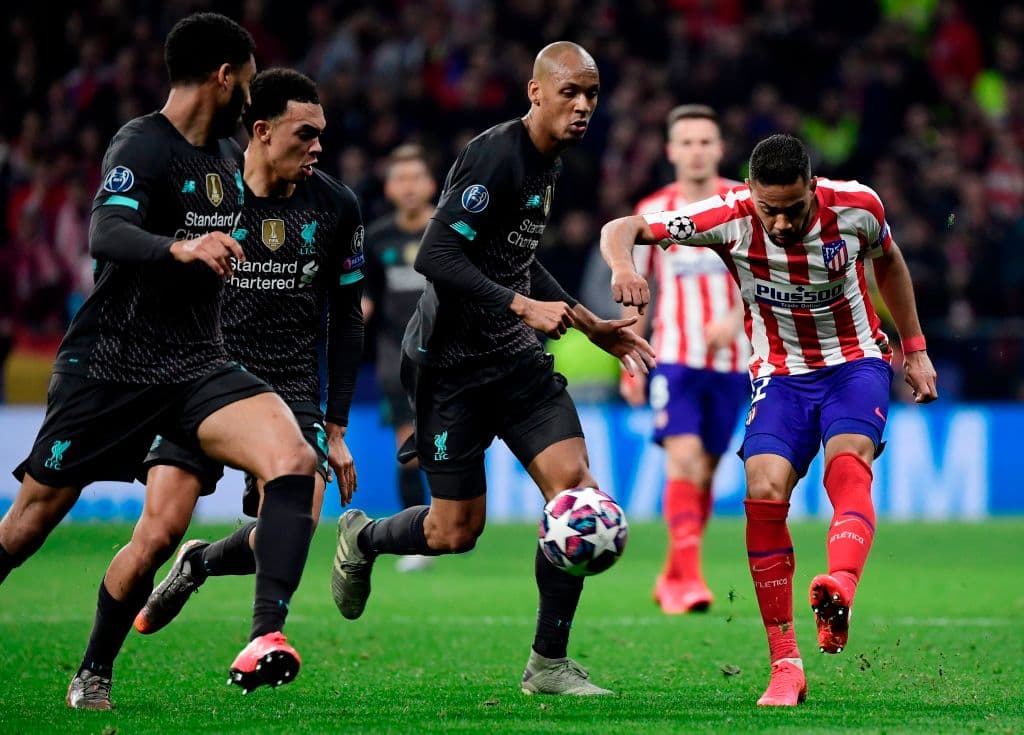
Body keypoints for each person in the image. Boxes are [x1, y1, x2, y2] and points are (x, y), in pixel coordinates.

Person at [0, 14, 319, 707]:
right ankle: (95, 663)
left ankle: (260, 633)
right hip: (109, 366)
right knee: (25, 527)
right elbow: (106, 230)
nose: (254, 93)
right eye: (251, 76)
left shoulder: (229, 157)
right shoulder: (143, 143)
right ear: (225, 76)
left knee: (294, 460)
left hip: (196, 366)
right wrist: (179, 246)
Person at [330, 41, 655, 696]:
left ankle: (548, 664)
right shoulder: (496, 156)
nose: (584, 105)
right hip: (450, 368)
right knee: (453, 531)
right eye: (571, 92)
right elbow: (436, 255)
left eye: (592, 94)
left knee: (578, 497)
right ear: (535, 93)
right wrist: (521, 305)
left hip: (514, 361)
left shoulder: (548, 163)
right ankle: (363, 537)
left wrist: (585, 321)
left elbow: (511, 258)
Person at [61, 68, 366, 709]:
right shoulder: (208, 192)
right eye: (305, 134)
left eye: (322, 135)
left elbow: (346, 320)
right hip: (200, 371)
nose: (318, 148)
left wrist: (335, 424)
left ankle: (232, 599)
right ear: (261, 131)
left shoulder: (337, 207)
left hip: (288, 385)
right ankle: (94, 669)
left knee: (295, 521)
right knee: (156, 534)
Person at [600, 134, 938, 706]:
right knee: (762, 486)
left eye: (793, 208)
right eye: (768, 209)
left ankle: (840, 589)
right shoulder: (727, 217)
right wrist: (621, 267)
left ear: (813, 187)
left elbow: (892, 263)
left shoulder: (857, 206)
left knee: (848, 457)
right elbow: (623, 227)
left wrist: (917, 346)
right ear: (750, 191)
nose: (780, 223)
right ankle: (786, 664)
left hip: (855, 362)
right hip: (779, 374)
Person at [620, 105, 749, 614]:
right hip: (674, 358)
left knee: (708, 470)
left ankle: (672, 575)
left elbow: (766, 270)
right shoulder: (653, 211)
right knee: (686, 461)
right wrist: (630, 355)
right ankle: (690, 581)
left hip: (736, 362)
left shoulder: (741, 203)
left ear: (719, 149)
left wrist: (735, 319)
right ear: (671, 151)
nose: (696, 150)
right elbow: (637, 290)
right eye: (687, 142)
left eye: (705, 141)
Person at [362, 144, 436, 573]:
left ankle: (454, 523)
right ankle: (415, 540)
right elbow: (369, 293)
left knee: (450, 443)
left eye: (416, 178)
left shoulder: (449, 230)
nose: (408, 187)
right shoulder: (377, 237)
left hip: (448, 351)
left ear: (430, 184)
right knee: (409, 449)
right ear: (389, 187)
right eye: (400, 179)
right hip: (398, 354)